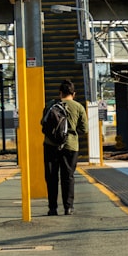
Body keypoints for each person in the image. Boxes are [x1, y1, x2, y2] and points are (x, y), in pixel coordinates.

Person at [42, 79, 88, 216]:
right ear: (73, 93)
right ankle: (68, 208)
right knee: (68, 177)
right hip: (70, 146)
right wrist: (71, 132)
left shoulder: (50, 105)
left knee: (51, 177)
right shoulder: (78, 107)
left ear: (60, 92)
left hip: (50, 145)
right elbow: (84, 129)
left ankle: (52, 208)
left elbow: (43, 124)